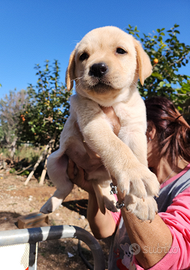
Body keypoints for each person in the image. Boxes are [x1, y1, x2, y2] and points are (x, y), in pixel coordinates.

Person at [67, 96, 190, 270]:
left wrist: (121, 166)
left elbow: (161, 256)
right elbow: (104, 229)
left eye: (119, 133)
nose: (115, 142)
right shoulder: (140, 178)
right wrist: (95, 189)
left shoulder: (185, 184)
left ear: (148, 131)